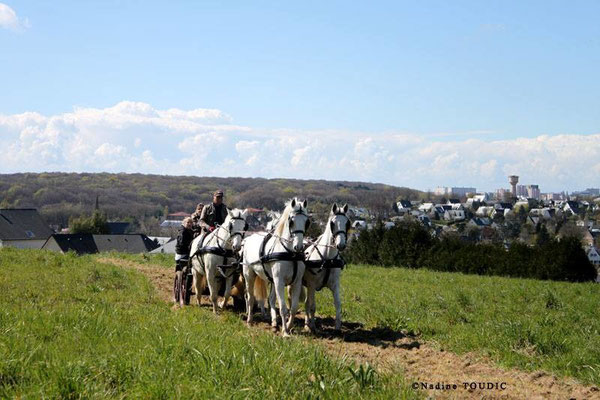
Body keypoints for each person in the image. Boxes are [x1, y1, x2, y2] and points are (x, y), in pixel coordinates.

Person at [174, 217, 194, 303]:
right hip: (182, 254)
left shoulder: (189, 231)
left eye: (191, 223)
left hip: (187, 253)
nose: (189, 224)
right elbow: (182, 243)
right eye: (188, 222)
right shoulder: (182, 231)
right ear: (183, 223)